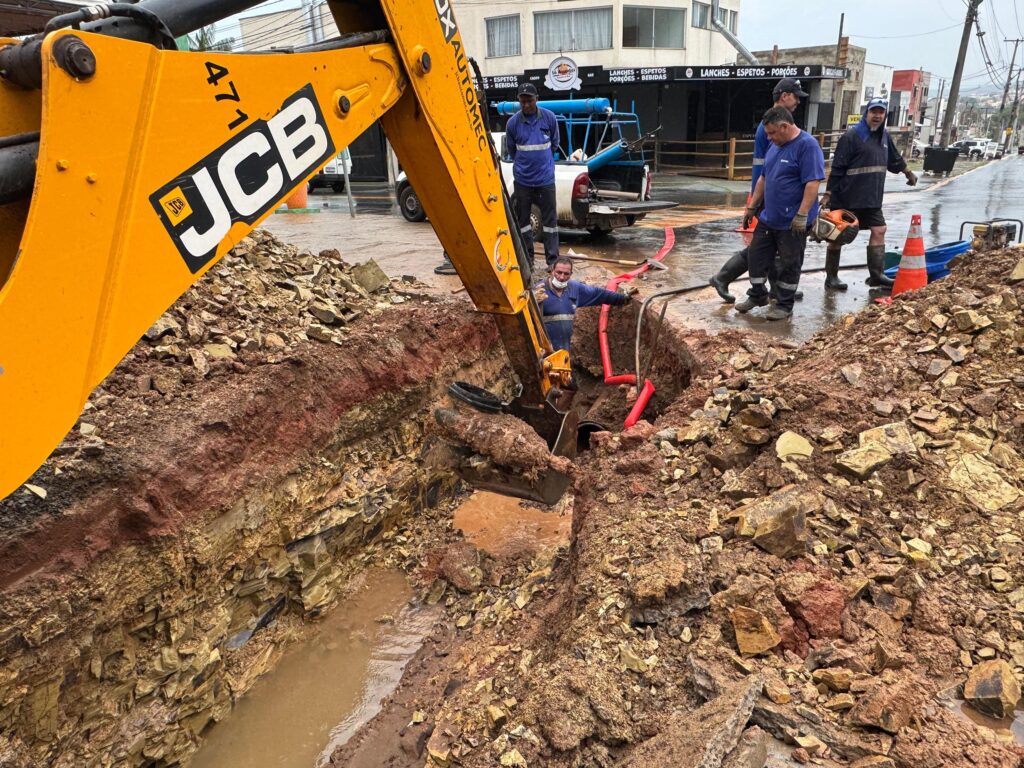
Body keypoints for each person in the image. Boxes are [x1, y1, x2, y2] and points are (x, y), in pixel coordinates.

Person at [709, 77, 808, 303]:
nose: (798, 103)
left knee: (770, 246)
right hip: (769, 193)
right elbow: (766, 169)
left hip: (768, 192)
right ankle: (723, 277)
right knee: (762, 247)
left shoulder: (776, 124)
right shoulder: (773, 126)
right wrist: (757, 201)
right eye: (795, 98)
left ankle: (777, 289)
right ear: (784, 96)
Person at [735, 107, 825, 321]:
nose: (769, 137)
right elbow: (763, 179)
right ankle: (757, 295)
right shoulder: (775, 147)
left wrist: (802, 215)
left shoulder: (807, 146)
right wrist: (752, 207)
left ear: (785, 127)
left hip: (792, 222)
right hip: (769, 218)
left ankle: (784, 304)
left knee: (789, 263)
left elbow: (812, 182)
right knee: (756, 257)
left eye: (772, 133)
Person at [820, 97, 918, 290]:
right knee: (837, 236)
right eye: (874, 112)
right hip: (847, 196)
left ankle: (877, 275)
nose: (877, 116)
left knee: (879, 229)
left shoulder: (884, 137)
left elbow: (894, 159)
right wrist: (828, 194)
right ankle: (831, 277)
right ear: (867, 113)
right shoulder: (852, 136)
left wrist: (907, 172)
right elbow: (838, 167)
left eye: (881, 112)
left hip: (871, 198)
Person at [506, 83, 560, 270]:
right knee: (524, 222)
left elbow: (554, 144)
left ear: (536, 99)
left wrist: (542, 164)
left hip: (545, 180)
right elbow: (512, 151)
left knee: (550, 222)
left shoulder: (549, 118)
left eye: (529, 100)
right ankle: (527, 260)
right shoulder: (513, 123)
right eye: (523, 101)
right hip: (523, 181)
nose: (526, 104)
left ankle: (552, 261)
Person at [537, 257, 630, 353]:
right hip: (543, 352)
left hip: (564, 353)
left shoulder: (575, 288)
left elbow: (599, 294)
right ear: (552, 271)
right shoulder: (539, 291)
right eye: (559, 272)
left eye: (566, 274)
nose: (561, 277)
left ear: (571, 274)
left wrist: (623, 298)